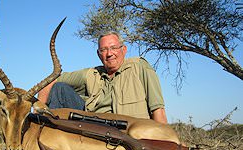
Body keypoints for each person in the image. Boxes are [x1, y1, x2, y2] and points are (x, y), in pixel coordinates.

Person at [38, 31, 168, 124]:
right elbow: (52, 80)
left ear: (124, 49)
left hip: (128, 130)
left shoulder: (140, 67)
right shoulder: (92, 74)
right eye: (104, 50)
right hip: (94, 126)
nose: (109, 54)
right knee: (59, 88)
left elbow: (158, 110)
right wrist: (38, 112)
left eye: (113, 48)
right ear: (98, 54)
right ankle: (45, 134)